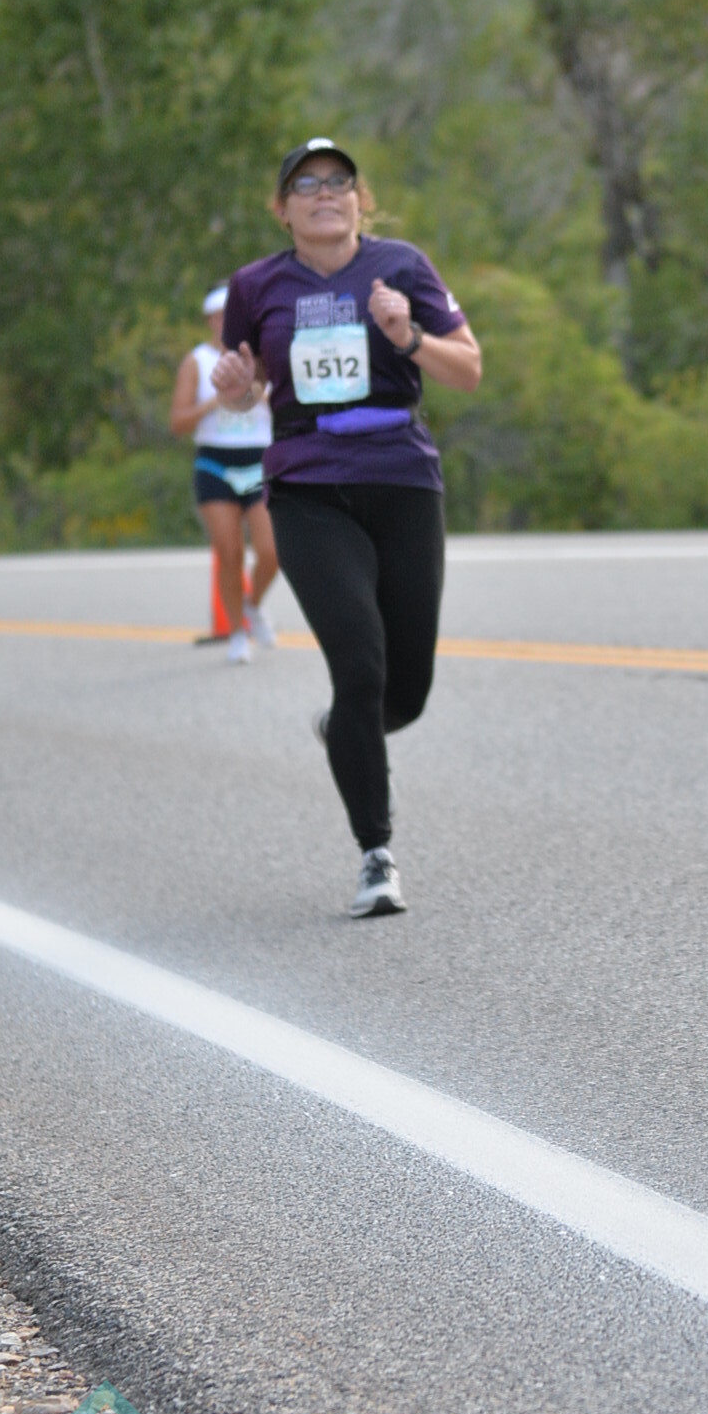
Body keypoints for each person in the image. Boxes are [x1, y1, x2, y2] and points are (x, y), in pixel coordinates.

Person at [210, 139, 482, 917]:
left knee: (406, 690)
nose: (324, 193)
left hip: (401, 479)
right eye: (306, 184)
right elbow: (245, 390)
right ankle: (376, 854)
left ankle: (347, 730)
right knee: (359, 665)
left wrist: (407, 337)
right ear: (282, 208)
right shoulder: (256, 285)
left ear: (361, 199)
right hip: (308, 488)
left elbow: (468, 369)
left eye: (339, 182)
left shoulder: (403, 267)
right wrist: (235, 389)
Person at [169, 287, 279, 663]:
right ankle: (236, 632)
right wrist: (216, 400)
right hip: (216, 463)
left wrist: (255, 393)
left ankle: (252, 604)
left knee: (272, 551)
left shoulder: (265, 357)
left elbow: (292, 408)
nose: (227, 323)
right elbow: (178, 422)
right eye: (220, 317)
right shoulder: (197, 362)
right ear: (211, 321)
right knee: (229, 552)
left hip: (260, 462)